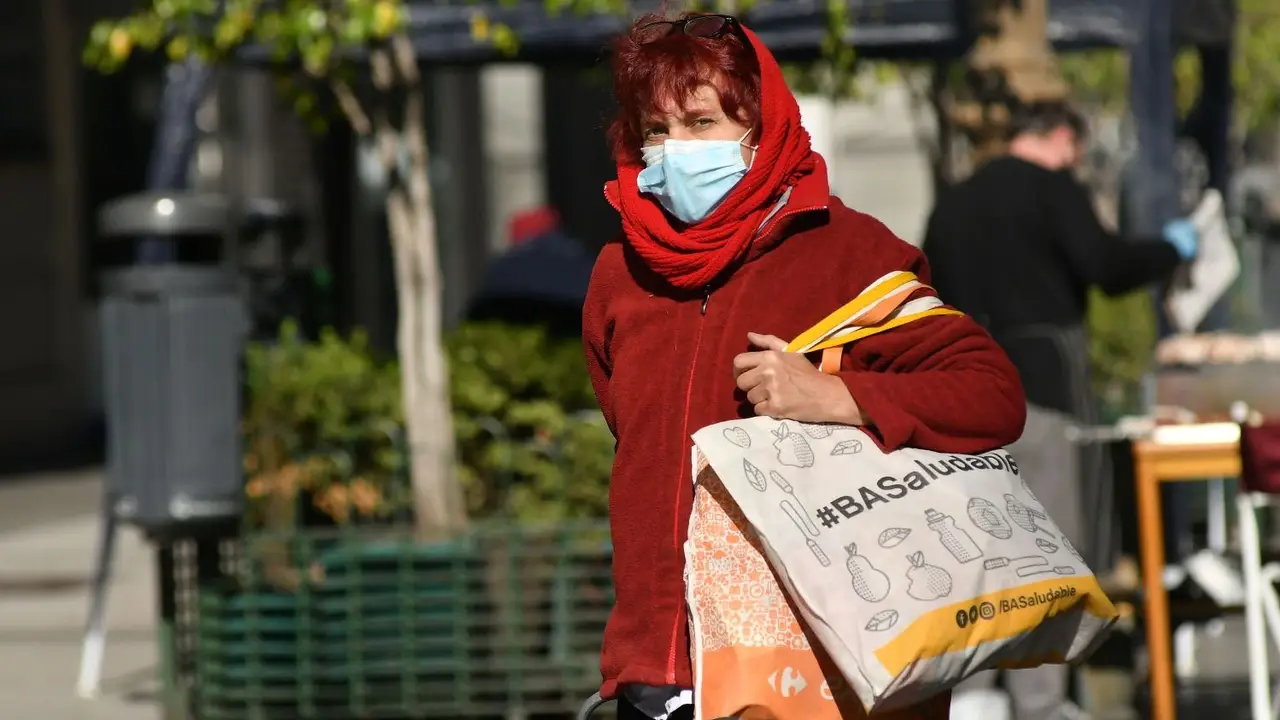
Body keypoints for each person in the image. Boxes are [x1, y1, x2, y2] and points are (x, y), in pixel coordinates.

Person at [581, 12, 1028, 720]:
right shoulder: (620, 275)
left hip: (810, 670)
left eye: (701, 124)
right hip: (656, 672)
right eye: (655, 131)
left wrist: (841, 397)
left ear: (763, 130)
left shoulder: (847, 256)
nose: (672, 151)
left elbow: (992, 394)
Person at [920, 101, 1199, 720]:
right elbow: (1106, 266)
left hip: (960, 400)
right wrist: (1170, 250)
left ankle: (971, 694)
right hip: (1038, 395)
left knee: (977, 556)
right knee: (1045, 554)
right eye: (1075, 149)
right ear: (1062, 138)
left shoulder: (954, 201)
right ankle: (1039, 701)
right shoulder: (1052, 189)